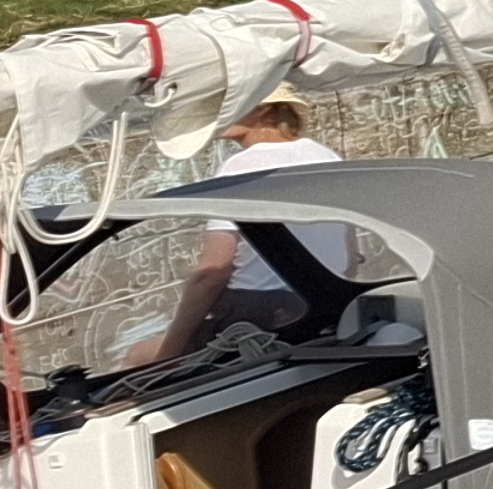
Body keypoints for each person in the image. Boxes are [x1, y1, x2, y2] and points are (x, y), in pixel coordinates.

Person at [134, 93, 351, 363]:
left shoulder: (240, 167)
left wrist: (166, 356)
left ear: (263, 111)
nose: (216, 115)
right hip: (324, 306)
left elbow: (212, 274)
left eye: (225, 105)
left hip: (257, 314)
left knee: (138, 356)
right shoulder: (327, 157)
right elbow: (350, 253)